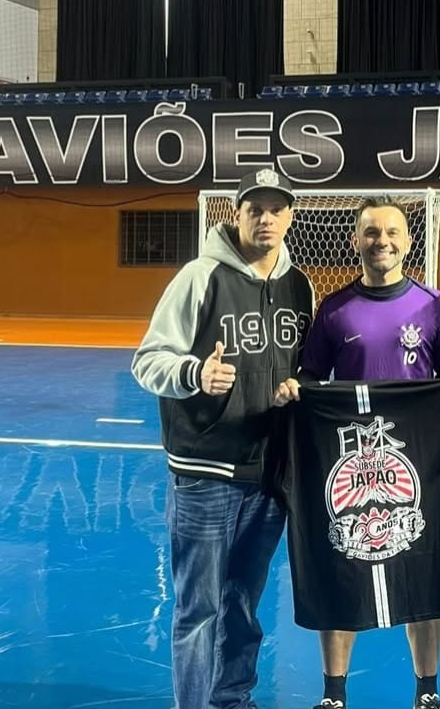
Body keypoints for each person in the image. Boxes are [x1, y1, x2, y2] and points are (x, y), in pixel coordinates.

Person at [274, 196, 440, 709]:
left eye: (390, 232)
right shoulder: (335, 308)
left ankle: (426, 691)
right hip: (350, 459)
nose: (381, 241)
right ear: (355, 240)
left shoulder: (433, 305)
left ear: (409, 241)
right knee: (343, 561)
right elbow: (312, 375)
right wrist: (297, 389)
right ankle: (334, 694)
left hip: (416, 463)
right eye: (370, 232)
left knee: (422, 566)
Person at [131, 167, 314, 709]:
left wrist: (295, 388)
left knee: (242, 603)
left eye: (276, 208)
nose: (266, 218)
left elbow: (303, 368)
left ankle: (232, 699)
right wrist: (194, 375)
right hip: (206, 470)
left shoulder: (299, 285)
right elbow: (147, 360)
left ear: (290, 215)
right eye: (255, 208)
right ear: (235, 214)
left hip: (268, 471)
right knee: (198, 610)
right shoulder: (198, 276)